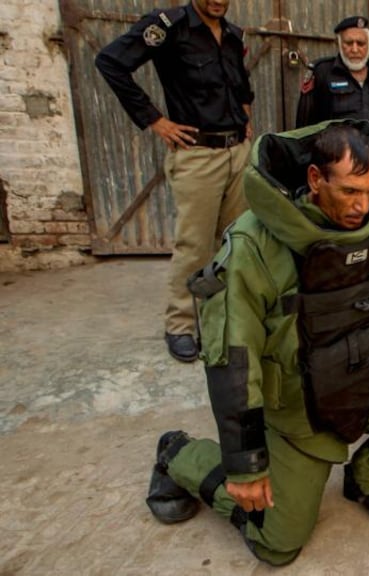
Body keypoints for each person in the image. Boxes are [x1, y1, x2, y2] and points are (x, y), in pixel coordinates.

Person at [143, 120, 369, 566]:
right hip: (297, 405)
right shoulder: (253, 244)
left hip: (367, 372)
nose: (363, 205)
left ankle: (365, 478)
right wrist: (246, 464)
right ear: (315, 180)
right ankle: (178, 454)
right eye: (349, 192)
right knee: (277, 545)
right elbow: (233, 358)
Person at [95, 0, 254, 363]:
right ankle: (180, 324)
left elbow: (241, 84)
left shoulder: (232, 35)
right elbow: (111, 62)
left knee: (233, 240)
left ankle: (222, 314)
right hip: (197, 156)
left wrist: (245, 115)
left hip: (237, 151)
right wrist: (155, 120)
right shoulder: (169, 26)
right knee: (194, 244)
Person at [295, 16, 369, 213]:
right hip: (338, 179)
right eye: (348, 43)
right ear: (339, 43)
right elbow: (303, 131)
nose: (355, 49)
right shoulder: (321, 74)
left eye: (361, 43)